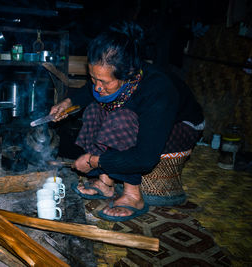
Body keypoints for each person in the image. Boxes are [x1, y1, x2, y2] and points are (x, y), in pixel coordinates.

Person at [49, 21, 204, 222]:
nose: (97, 87)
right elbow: (90, 90)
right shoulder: (119, 78)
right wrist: (67, 102)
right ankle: (105, 183)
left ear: (128, 73)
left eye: (104, 81)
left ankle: (133, 195)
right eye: (94, 78)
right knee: (97, 107)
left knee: (121, 118)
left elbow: (145, 158)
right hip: (148, 118)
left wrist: (94, 161)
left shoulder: (158, 91)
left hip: (183, 127)